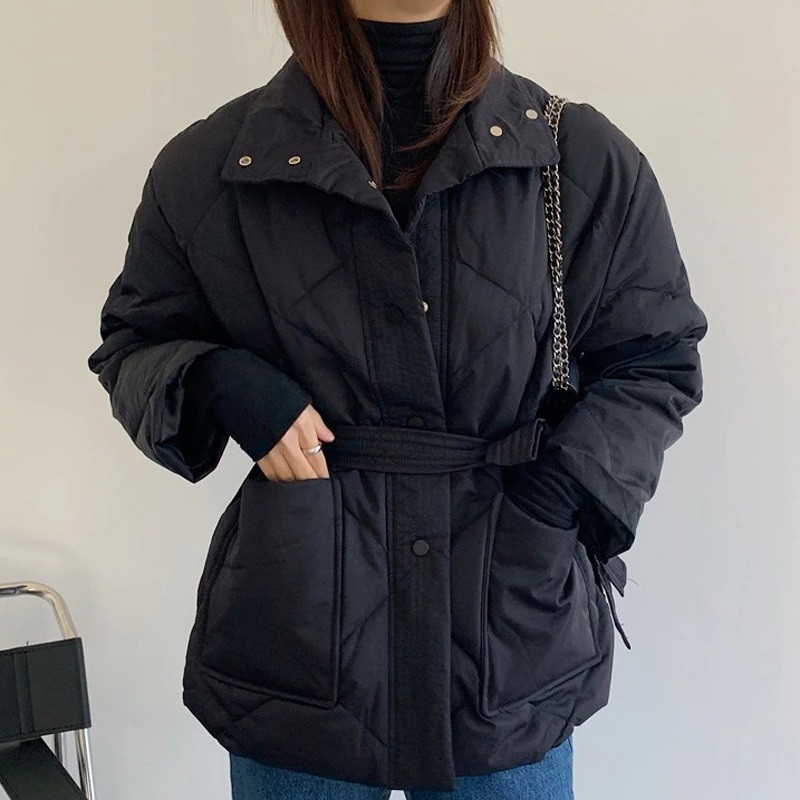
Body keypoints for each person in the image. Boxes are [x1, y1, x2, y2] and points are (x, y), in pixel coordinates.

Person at [86, 0, 708, 798]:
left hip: (508, 635)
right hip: (303, 643)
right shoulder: (213, 166)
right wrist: (223, 383)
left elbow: (654, 356)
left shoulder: (576, 156)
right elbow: (134, 345)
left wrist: (561, 496)